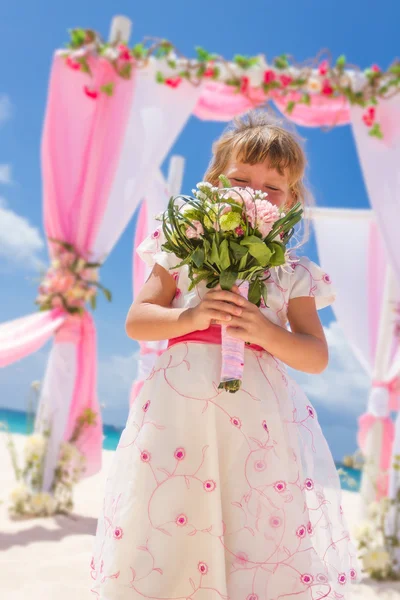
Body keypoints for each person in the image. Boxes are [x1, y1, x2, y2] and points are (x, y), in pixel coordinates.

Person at [90, 111, 358, 600]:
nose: (255, 193)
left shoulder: (293, 272)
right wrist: (190, 318)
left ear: (291, 201)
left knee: (248, 525)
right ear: (213, 184)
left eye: (273, 187)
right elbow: (137, 319)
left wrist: (261, 329)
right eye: (240, 180)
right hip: (178, 412)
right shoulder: (181, 249)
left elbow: (315, 356)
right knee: (171, 514)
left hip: (255, 420)